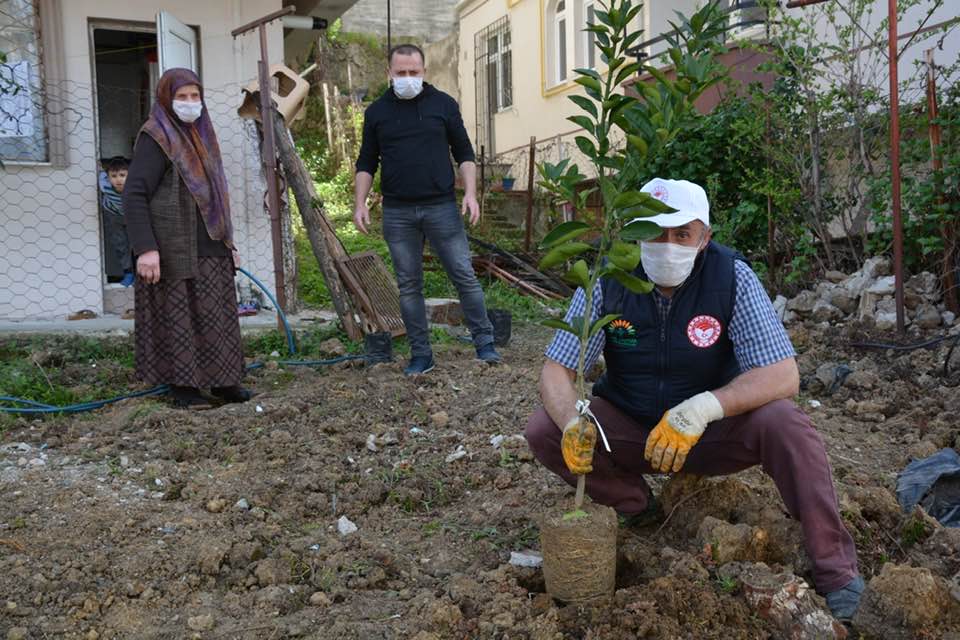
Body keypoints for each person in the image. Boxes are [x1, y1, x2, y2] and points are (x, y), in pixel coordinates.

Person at [524, 178, 866, 623]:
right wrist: (573, 421)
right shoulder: (609, 280)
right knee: (544, 428)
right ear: (634, 233)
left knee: (786, 424)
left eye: (682, 233)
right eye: (654, 232)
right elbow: (557, 368)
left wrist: (702, 408)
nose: (667, 245)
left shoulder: (731, 277)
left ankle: (835, 570)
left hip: (713, 434)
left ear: (704, 237)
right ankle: (636, 506)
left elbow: (783, 374)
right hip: (632, 430)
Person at [353, 43, 501, 375]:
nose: (407, 78)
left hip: (441, 207)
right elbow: (366, 162)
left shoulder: (443, 105)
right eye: (401, 73)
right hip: (397, 212)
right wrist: (359, 203)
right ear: (389, 73)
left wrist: (471, 194)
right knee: (409, 285)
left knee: (463, 275)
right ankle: (421, 355)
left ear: (424, 72)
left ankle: (485, 344)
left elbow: (464, 152)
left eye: (413, 73)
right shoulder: (376, 112)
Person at [123, 68, 250, 409]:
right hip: (172, 245)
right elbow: (134, 193)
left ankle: (224, 383)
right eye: (182, 97)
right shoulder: (156, 136)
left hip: (211, 243)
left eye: (195, 96)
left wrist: (229, 242)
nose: (190, 103)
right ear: (167, 99)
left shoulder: (202, 135)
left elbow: (215, 194)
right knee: (179, 316)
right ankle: (184, 389)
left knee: (216, 315)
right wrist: (146, 249)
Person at [99, 156, 134, 287]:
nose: (118, 179)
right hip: (113, 214)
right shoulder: (104, 185)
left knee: (135, 243)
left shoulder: (134, 186)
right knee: (120, 244)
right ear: (108, 177)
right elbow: (100, 170)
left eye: (122, 175)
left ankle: (138, 273)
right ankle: (128, 272)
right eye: (113, 176)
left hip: (131, 215)